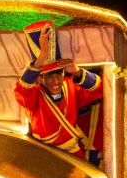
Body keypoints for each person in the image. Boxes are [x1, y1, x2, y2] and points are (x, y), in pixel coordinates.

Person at [14, 20, 102, 158]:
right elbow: (21, 92)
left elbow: (99, 89)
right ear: (40, 78)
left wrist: (78, 72)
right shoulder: (35, 93)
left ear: (63, 73)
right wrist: (41, 58)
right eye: (49, 76)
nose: (55, 81)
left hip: (73, 155)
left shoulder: (69, 86)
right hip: (44, 154)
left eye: (58, 74)